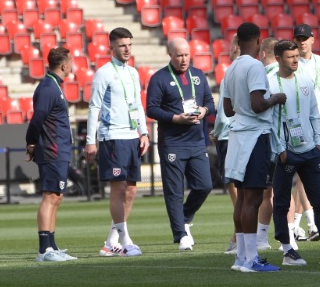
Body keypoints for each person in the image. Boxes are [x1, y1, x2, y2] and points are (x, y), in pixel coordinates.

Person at [269, 40, 320, 267]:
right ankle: (288, 251)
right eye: (290, 57)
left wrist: (318, 144)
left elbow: (314, 113)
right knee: (282, 202)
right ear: (278, 58)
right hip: (287, 153)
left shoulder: (305, 80)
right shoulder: (269, 84)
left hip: (310, 150)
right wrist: (281, 149)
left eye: (296, 56)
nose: (295, 60)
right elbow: (271, 120)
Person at [223, 23, 286, 273]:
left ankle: (241, 257)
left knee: (242, 199)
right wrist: (277, 98)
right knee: (253, 198)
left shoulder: (231, 68)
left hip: (237, 134)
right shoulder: (255, 66)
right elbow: (258, 103)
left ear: (238, 41)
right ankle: (251, 260)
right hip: (254, 135)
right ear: (259, 42)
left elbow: (227, 109)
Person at [84, 27, 149, 258]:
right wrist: (91, 140)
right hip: (112, 137)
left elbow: (138, 105)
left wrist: (144, 132)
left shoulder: (133, 73)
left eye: (130, 45)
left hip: (132, 137)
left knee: (131, 190)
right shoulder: (103, 73)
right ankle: (125, 240)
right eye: (122, 45)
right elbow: (94, 107)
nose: (127, 49)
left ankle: (111, 241)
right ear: (111, 47)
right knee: (118, 188)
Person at [146, 37, 215, 251]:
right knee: (174, 191)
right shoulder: (159, 78)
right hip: (173, 143)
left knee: (205, 185)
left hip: (196, 141)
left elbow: (210, 103)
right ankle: (180, 234)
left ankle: (184, 217)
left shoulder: (198, 75)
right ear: (170, 55)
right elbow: (152, 109)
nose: (183, 59)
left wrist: (203, 111)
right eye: (179, 55)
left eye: (186, 55)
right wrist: (176, 118)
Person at [26, 46, 77, 262]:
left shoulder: (54, 86)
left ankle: (52, 246)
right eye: (71, 62)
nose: (72, 66)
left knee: (56, 196)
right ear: (64, 65)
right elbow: (37, 119)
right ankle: (43, 250)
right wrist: (30, 142)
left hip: (59, 149)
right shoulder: (48, 87)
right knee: (49, 196)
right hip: (52, 149)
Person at [293, 23, 320, 240]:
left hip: (318, 127)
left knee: (307, 175)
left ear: (312, 39)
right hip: (298, 126)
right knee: (302, 174)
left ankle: (301, 224)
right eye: (298, 38)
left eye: (304, 38)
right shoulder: (291, 63)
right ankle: (308, 224)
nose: (301, 41)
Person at [212, 34, 242, 255]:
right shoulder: (254, 71)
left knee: (237, 194)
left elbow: (225, 111)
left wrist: (219, 129)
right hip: (239, 134)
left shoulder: (231, 73)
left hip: (230, 136)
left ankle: (239, 236)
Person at [255, 37, 279, 251]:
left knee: (262, 192)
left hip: (268, 142)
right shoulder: (288, 76)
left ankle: (260, 237)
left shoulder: (264, 78)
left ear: (262, 54)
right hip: (291, 142)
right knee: (284, 191)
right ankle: (288, 235)